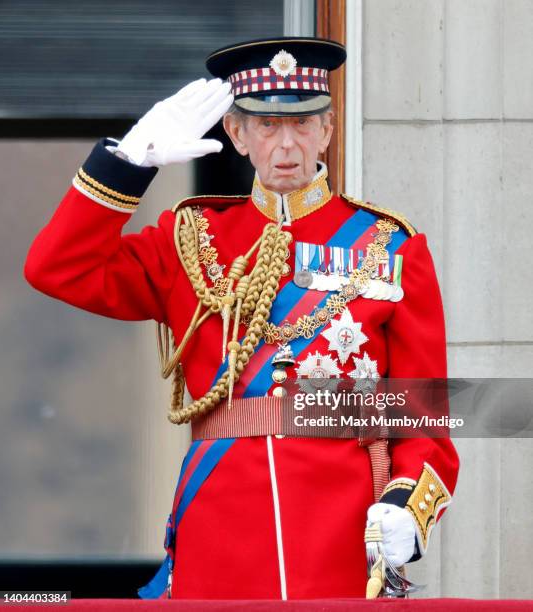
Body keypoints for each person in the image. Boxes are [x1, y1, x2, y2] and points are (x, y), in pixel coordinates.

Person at [24, 37, 459, 600]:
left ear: (327, 131)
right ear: (236, 135)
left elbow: (426, 421)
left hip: (341, 535)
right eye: (266, 126)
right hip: (219, 530)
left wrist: (406, 506)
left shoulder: (391, 248)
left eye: (303, 125)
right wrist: (128, 164)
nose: (287, 145)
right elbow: (56, 268)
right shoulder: (190, 240)